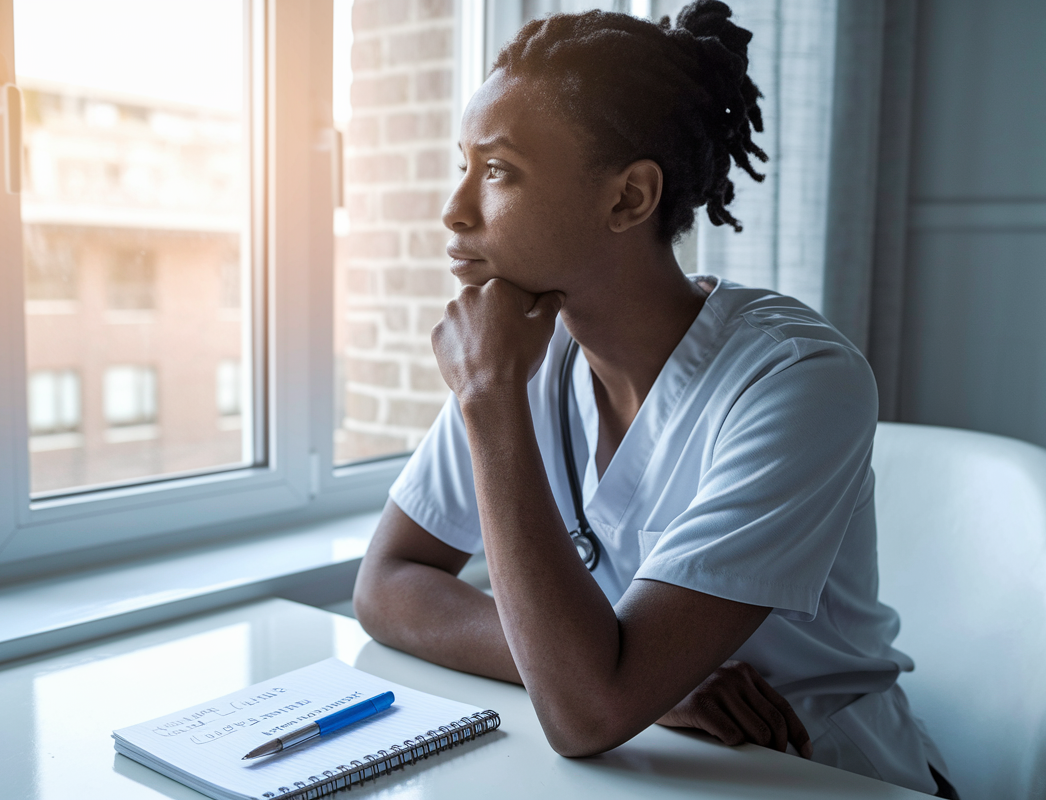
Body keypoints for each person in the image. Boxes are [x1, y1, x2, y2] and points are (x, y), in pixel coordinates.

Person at [351, 3, 957, 797]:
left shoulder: (796, 379)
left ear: (630, 198)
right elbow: (387, 582)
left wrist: (488, 398)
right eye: (462, 164)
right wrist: (644, 679)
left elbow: (587, 714)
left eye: (497, 171)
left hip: (813, 776)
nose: (455, 209)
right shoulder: (529, 351)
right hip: (643, 769)